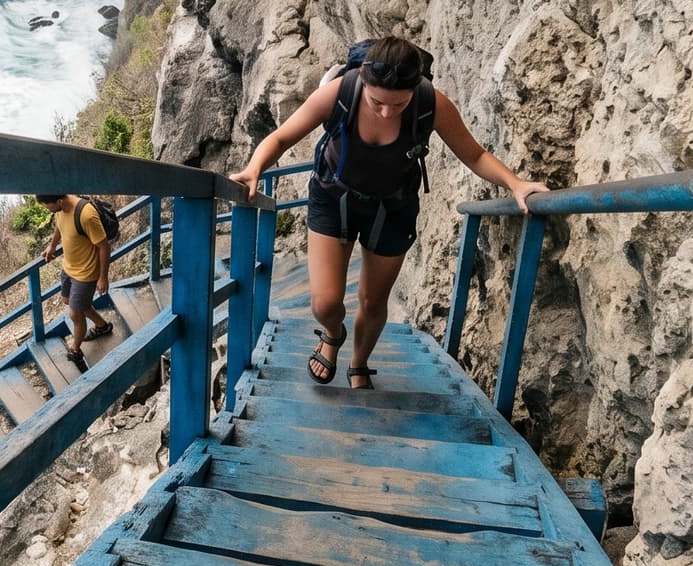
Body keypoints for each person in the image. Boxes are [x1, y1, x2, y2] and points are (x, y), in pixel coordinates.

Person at [230, 36, 548, 389]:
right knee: (325, 302)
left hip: (393, 207)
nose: (386, 111)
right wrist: (255, 166)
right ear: (363, 81)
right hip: (334, 199)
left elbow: (474, 155)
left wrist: (516, 184)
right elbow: (280, 138)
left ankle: (359, 362)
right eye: (377, 101)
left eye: (398, 104)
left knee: (373, 299)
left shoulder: (431, 103)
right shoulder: (340, 92)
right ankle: (333, 334)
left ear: (415, 89)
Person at [35, 192, 114, 371]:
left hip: (85, 273)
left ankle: (76, 350)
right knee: (71, 302)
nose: (49, 211)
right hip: (69, 267)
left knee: (75, 314)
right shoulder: (60, 208)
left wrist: (103, 277)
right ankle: (102, 326)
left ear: (60, 201)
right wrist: (52, 245)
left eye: (49, 207)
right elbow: (59, 225)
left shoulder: (86, 214)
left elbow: (104, 246)